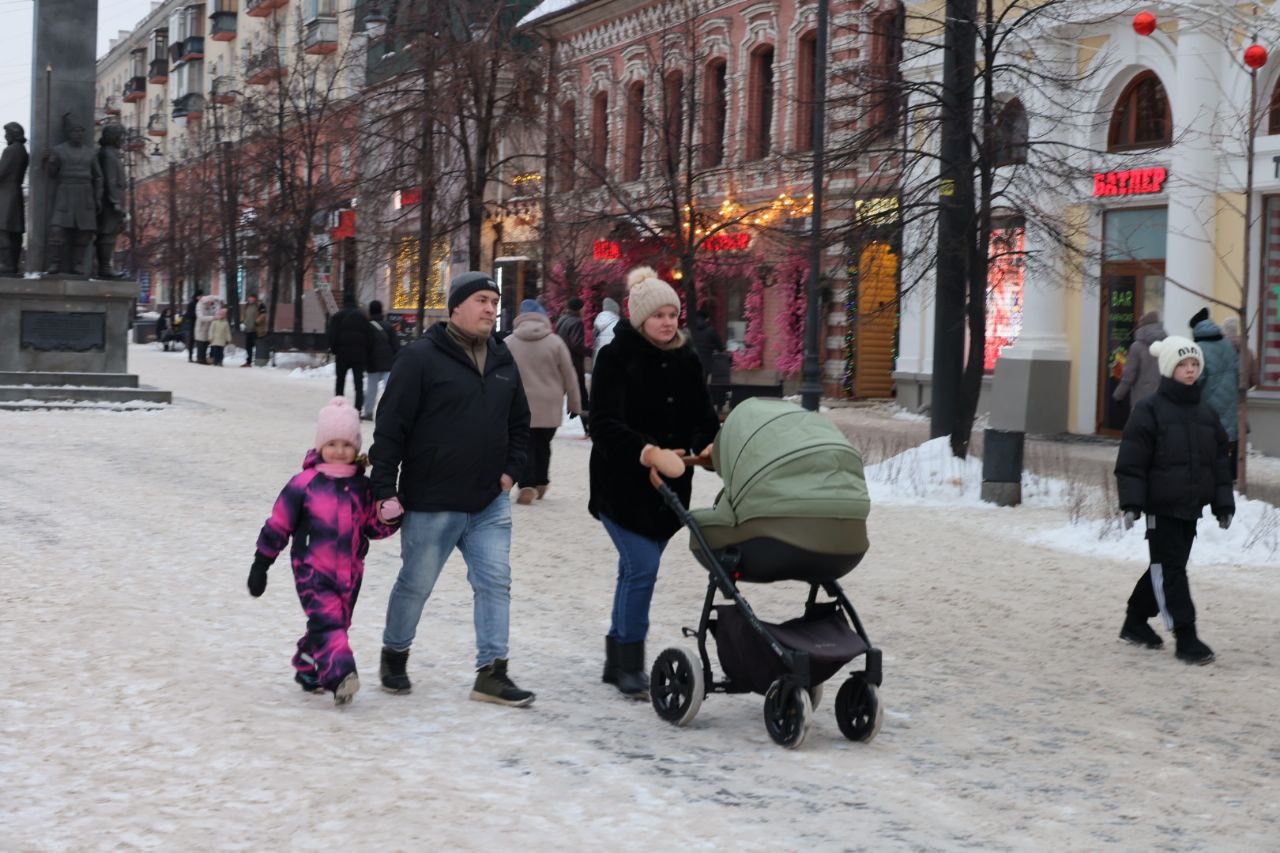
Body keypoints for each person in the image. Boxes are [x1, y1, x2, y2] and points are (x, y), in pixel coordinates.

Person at [370, 271, 535, 707]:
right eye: (481, 300)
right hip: (433, 500)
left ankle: (492, 673)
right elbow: (390, 427)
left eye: (494, 302)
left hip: (488, 502)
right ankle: (394, 655)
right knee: (416, 584)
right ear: (456, 306)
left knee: (495, 582)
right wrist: (383, 488)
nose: (490, 309)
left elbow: (520, 423)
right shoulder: (420, 358)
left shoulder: (502, 358)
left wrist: (510, 472)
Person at [588, 266, 720, 698]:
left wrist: (710, 447)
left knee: (633, 571)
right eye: (658, 315)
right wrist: (646, 452)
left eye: (672, 314)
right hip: (622, 488)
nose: (667, 322)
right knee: (642, 568)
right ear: (640, 317)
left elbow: (702, 418)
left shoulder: (687, 358)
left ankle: (615, 660)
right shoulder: (616, 357)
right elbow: (603, 424)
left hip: (669, 492)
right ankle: (630, 662)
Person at [247, 397, 402, 705]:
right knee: (330, 623)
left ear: (356, 448)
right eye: (332, 443)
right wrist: (261, 563)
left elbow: (372, 528)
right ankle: (341, 676)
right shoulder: (304, 484)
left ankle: (307, 664)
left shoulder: (363, 488)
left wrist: (389, 517)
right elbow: (278, 524)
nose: (339, 450)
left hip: (350, 573)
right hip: (312, 571)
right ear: (320, 446)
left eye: (347, 444)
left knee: (334, 625)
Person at [1115, 336, 1233, 666]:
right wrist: (1131, 503)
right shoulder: (1149, 409)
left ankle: (1135, 621)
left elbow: (1219, 462)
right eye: (1183, 364)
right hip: (1161, 506)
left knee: (1167, 567)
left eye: (1194, 364)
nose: (1190, 369)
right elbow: (1132, 461)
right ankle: (1186, 636)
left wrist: (1223, 503)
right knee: (1171, 570)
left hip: (1190, 507)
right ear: (1169, 368)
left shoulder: (1206, 412)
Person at [505, 298, 582, 504]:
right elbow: (569, 375)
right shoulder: (555, 342)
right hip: (550, 405)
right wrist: (575, 404)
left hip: (519, 405)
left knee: (524, 445)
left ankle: (526, 484)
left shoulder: (509, 343)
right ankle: (541, 481)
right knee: (543, 444)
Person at [1190, 308, 1241, 478]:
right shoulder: (1227, 344)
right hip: (1230, 411)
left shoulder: (1198, 349)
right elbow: (1238, 375)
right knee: (1223, 458)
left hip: (1208, 413)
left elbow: (1195, 381)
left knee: (1207, 461)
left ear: (1196, 329)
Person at [329, 293, 373, 413]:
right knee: (358, 384)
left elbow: (332, 335)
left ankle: (338, 407)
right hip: (359, 355)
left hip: (342, 354)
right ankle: (357, 410)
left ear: (344, 302)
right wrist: (366, 352)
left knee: (340, 381)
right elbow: (369, 336)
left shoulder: (337, 316)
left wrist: (334, 350)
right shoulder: (363, 317)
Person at [1112, 311, 1165, 409]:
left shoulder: (1136, 347)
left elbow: (1128, 377)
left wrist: (1118, 395)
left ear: (1142, 325)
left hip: (1141, 400)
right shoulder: (1167, 344)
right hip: (1162, 400)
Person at [555, 297, 591, 432]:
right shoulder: (577, 322)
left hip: (561, 363)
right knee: (582, 396)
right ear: (579, 308)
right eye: (583, 307)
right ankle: (588, 427)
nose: (585, 309)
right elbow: (576, 344)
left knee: (557, 395)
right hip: (574, 365)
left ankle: (544, 422)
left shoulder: (561, 320)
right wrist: (591, 352)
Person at [362, 299, 400, 421]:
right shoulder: (389, 326)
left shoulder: (367, 327)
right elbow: (396, 346)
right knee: (390, 390)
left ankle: (368, 412)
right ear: (381, 311)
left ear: (370, 311)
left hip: (372, 364)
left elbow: (365, 346)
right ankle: (391, 413)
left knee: (371, 390)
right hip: (388, 364)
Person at [690, 304, 726, 383]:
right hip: (705, 364)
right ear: (707, 319)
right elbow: (720, 346)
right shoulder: (710, 330)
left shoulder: (692, 331)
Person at [194, 294, 219, 365]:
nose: (212, 305)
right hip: (201, 329)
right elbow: (201, 317)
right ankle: (200, 360)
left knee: (205, 345)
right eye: (211, 303)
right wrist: (213, 318)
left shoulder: (210, 305)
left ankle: (203, 360)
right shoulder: (199, 305)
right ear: (208, 301)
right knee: (201, 345)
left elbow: (214, 312)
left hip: (208, 329)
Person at [241, 294, 264, 368]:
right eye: (249, 298)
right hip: (248, 329)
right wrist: (243, 322)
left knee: (256, 345)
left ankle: (259, 361)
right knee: (248, 346)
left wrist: (257, 321)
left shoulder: (259, 305)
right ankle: (248, 362)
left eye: (252, 298)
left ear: (254, 299)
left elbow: (263, 315)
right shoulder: (247, 306)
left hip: (256, 329)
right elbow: (244, 315)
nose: (250, 300)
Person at [183, 288, 200, 363]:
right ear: (197, 296)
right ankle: (190, 356)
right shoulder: (192, 303)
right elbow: (189, 314)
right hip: (192, 323)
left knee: (198, 340)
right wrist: (197, 315)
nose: (201, 297)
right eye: (200, 296)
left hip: (198, 323)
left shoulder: (199, 303)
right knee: (192, 340)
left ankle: (199, 356)